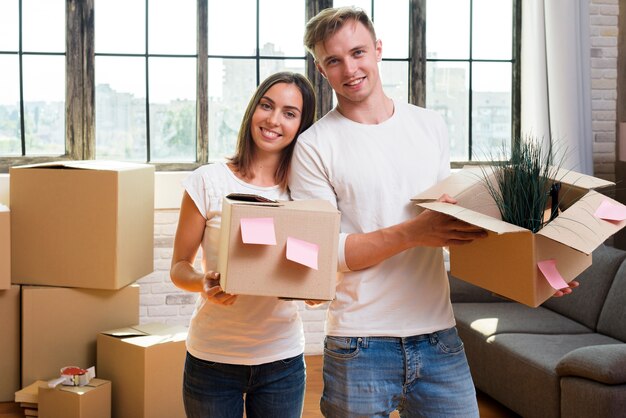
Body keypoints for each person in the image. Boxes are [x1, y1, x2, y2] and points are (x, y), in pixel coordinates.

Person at [289, 7, 576, 418]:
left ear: (378, 50)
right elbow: (322, 256)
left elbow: (460, 224)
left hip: (439, 337)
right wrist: (413, 232)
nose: (349, 68)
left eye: (358, 52)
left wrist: (542, 267)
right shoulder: (315, 147)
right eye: (334, 60)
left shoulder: (429, 126)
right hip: (359, 343)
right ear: (320, 68)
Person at [170, 71, 316, 418]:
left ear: (301, 125)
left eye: (289, 112)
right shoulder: (208, 180)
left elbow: (313, 276)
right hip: (212, 360)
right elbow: (179, 268)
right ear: (253, 110)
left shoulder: (305, 193)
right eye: (267, 106)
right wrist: (203, 284)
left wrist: (316, 288)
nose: (273, 119)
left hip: (281, 361)